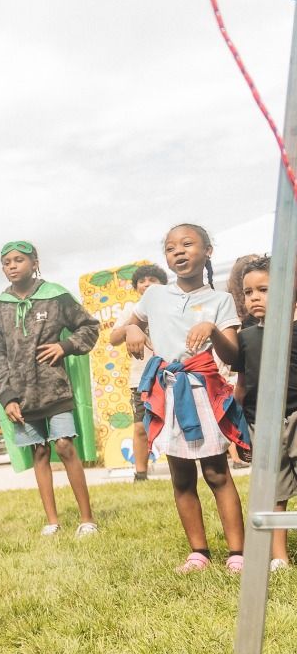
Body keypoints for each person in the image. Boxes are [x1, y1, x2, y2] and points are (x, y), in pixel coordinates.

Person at [125, 223, 250, 574]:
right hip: (167, 391)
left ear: (207, 251)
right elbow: (124, 329)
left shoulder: (220, 300)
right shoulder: (154, 295)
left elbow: (232, 355)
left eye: (187, 244)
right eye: (170, 248)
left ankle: (237, 553)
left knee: (217, 472)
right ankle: (198, 553)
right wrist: (133, 328)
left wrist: (212, 329)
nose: (178, 251)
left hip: (202, 392)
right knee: (181, 476)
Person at [0, 241, 100, 536]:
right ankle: (52, 522)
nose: (12, 266)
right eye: (6, 262)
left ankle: (87, 519)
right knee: (39, 452)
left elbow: (89, 326)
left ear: (35, 263)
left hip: (54, 388)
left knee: (64, 446)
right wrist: (7, 397)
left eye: (19, 260)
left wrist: (65, 346)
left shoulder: (56, 296)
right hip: (20, 395)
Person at [231, 255, 297, 571]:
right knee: (274, 491)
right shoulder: (244, 338)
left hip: (295, 415)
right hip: (261, 423)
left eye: (263, 290)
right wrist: (237, 432)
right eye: (248, 292)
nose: (254, 298)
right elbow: (242, 385)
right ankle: (279, 556)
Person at [106, 263, 170, 480]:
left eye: (152, 280)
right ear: (136, 287)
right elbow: (113, 339)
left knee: (173, 424)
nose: (146, 284)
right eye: (142, 281)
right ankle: (140, 474)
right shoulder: (131, 310)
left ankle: (180, 469)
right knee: (141, 427)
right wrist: (131, 327)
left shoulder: (172, 307)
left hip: (170, 375)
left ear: (163, 285)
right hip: (141, 378)